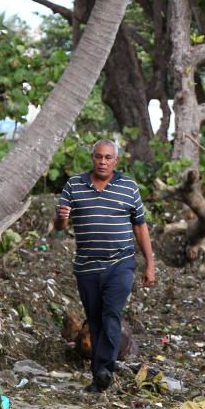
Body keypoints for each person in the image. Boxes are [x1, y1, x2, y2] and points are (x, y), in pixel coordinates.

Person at [54, 138, 156, 393]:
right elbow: (59, 226)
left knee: (111, 313)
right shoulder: (74, 185)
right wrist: (60, 218)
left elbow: (140, 227)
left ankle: (105, 370)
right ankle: (98, 375)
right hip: (87, 267)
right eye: (99, 157)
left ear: (115, 161)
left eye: (108, 157)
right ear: (92, 158)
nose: (103, 161)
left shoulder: (128, 187)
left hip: (120, 263)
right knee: (96, 319)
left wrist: (150, 264)